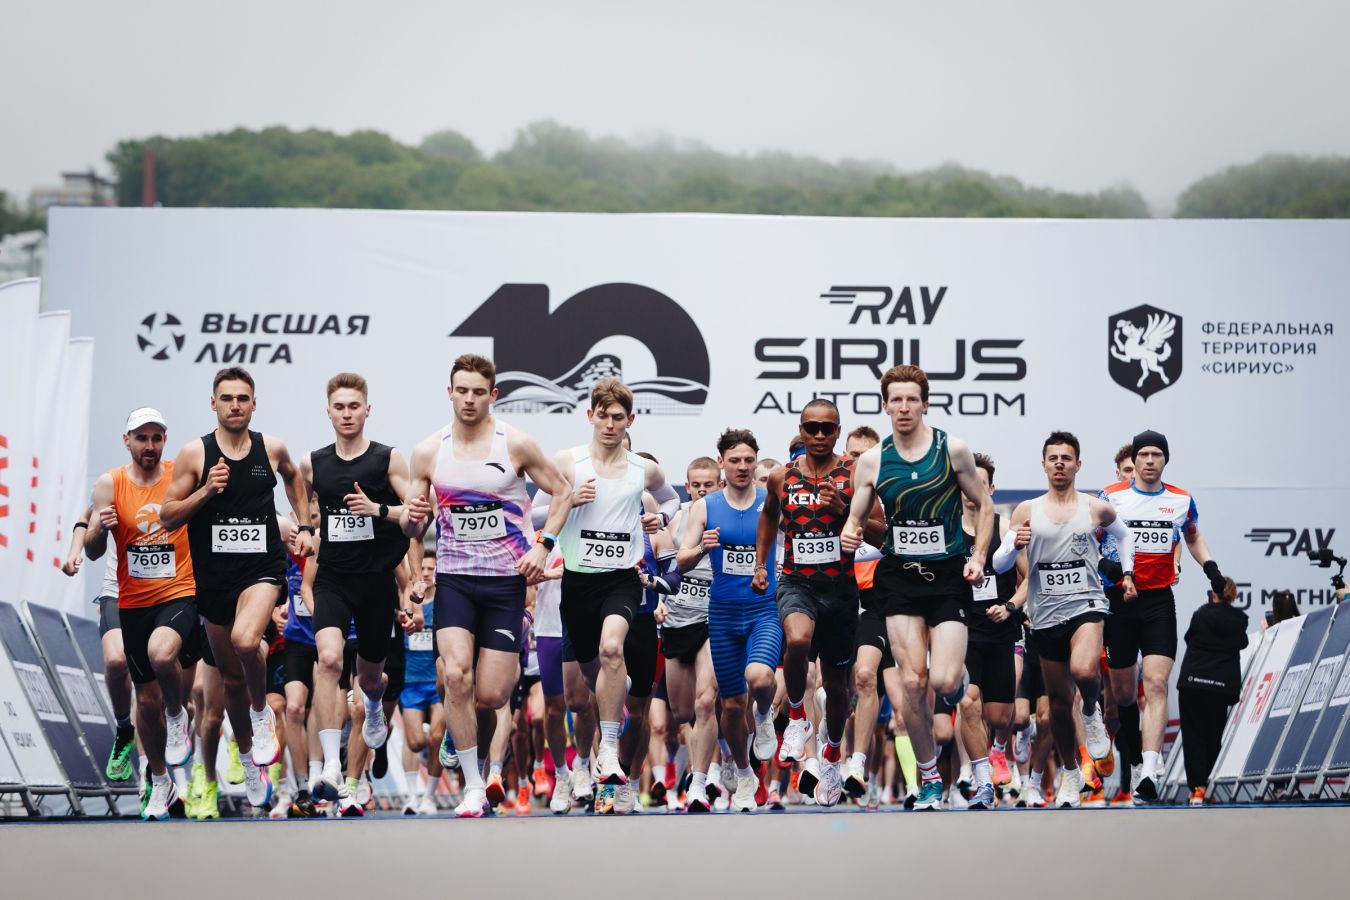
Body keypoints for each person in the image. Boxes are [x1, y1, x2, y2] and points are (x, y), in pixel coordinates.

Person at [402, 354, 575, 818]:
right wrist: (414, 546)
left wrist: (543, 545)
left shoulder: (515, 444)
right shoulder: (428, 451)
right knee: (456, 675)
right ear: (450, 392)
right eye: (462, 390)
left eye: (479, 392)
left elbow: (563, 491)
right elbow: (412, 525)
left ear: (493, 395)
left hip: (505, 583)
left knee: (492, 696)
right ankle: (474, 786)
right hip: (456, 580)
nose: (469, 399)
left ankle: (462, 742)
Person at [841, 365, 993, 810]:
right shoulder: (873, 461)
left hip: (947, 578)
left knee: (944, 681)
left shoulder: (952, 450)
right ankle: (928, 779)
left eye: (912, 399)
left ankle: (965, 704)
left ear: (925, 404)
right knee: (911, 684)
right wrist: (849, 531)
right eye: (896, 400)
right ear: (885, 405)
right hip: (900, 579)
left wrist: (979, 556)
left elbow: (984, 506)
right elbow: (855, 516)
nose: (904, 407)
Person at [161, 368, 314, 809]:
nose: (235, 405)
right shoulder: (195, 454)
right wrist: (207, 491)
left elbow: (293, 477)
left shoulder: (272, 448)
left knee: (247, 640)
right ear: (213, 403)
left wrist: (304, 524)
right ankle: (247, 758)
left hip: (261, 569)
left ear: (253, 403)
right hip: (213, 580)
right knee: (230, 679)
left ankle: (261, 714)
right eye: (226, 398)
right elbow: (168, 516)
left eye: (242, 398)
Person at [994, 431, 1137, 807]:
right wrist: (1014, 544)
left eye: (1066, 458)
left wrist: (1127, 573)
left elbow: (1124, 537)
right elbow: (1000, 564)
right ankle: (1071, 774)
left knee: (1085, 671)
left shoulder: (1095, 508)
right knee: (1057, 705)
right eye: (1053, 458)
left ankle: (1090, 711)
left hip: (1086, 604)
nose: (1059, 463)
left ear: (1078, 465)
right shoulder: (1026, 511)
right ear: (1044, 465)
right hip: (1045, 613)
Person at [297, 372, 412, 811]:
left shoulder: (388, 459)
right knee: (328, 660)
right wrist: (305, 530)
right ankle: (331, 766)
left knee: (369, 678)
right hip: (333, 577)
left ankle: (376, 705)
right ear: (328, 412)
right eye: (339, 407)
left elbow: (417, 515)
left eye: (354, 407)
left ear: (368, 410)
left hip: (376, 580)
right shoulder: (313, 463)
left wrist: (377, 509)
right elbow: (302, 500)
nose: (347, 414)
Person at [758, 400, 881, 806]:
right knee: (797, 641)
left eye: (827, 428)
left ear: (838, 431)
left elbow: (883, 534)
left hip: (841, 590)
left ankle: (832, 755)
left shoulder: (855, 474)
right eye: (811, 427)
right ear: (801, 429)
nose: (819, 435)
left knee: (837, 687)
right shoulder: (782, 476)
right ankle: (796, 716)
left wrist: (845, 512)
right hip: (798, 583)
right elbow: (768, 517)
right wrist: (760, 564)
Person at [1099, 429, 1230, 801]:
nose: (1150, 460)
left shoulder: (1180, 500)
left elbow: (1192, 535)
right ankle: (1135, 758)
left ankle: (1150, 771)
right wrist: (1106, 566)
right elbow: (1086, 539)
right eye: (1144, 454)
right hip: (1119, 602)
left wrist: (1211, 567)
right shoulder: (1111, 497)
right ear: (1134, 460)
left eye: (1157, 454)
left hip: (1158, 603)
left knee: (1156, 684)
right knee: (1124, 694)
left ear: (1165, 460)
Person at [83, 408, 201, 819]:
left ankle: (177, 716)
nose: (150, 446)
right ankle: (158, 780)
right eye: (141, 438)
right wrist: (99, 528)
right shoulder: (110, 483)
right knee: (146, 701)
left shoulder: (180, 474)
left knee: (162, 655)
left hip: (179, 592)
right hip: (132, 600)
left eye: (156, 438)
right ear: (127, 441)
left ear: (165, 440)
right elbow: (94, 550)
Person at [679, 428, 778, 812]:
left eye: (749, 460)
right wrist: (701, 548)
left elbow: (800, 539)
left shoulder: (771, 501)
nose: (742, 466)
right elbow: (682, 559)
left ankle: (765, 714)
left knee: (760, 678)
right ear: (721, 462)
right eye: (734, 460)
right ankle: (744, 774)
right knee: (732, 707)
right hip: (721, 615)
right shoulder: (705, 507)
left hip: (763, 609)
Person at [663, 457, 721, 812]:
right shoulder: (675, 518)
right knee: (683, 712)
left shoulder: (728, 516)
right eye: (696, 485)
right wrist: (657, 601)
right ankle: (705, 762)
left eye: (708, 485)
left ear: (719, 485)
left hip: (714, 619)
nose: (701, 490)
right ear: (687, 487)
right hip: (677, 619)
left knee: (705, 702)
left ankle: (700, 781)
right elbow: (659, 563)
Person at [62, 529, 137, 783]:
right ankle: (124, 728)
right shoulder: (110, 497)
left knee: (153, 693)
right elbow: (87, 516)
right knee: (115, 661)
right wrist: (74, 551)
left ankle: (156, 776)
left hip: (166, 593)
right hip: (118, 590)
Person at [1177, 577, 1247, 805]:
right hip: (1221, 687)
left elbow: (1189, 638)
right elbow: (1243, 643)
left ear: (1213, 593)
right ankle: (1204, 787)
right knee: (1213, 737)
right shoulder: (1240, 619)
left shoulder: (1201, 614)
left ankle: (1197, 789)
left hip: (1193, 682)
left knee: (1193, 736)